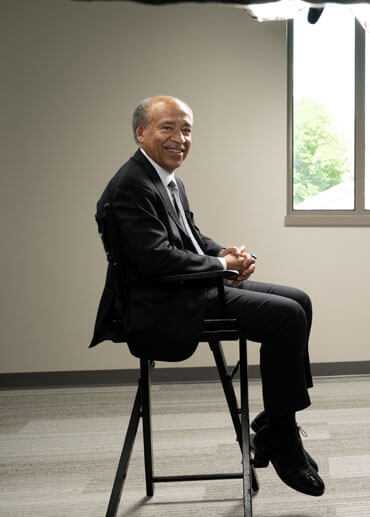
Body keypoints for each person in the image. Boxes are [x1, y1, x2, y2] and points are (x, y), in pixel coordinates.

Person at [91, 96, 324, 497]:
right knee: (286, 317)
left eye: (186, 130)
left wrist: (223, 254)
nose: (179, 138)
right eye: (168, 128)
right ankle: (282, 436)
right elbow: (155, 260)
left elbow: (191, 240)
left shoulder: (167, 179)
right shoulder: (131, 185)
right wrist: (221, 268)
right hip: (164, 304)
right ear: (141, 132)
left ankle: (273, 422)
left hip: (187, 288)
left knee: (299, 301)